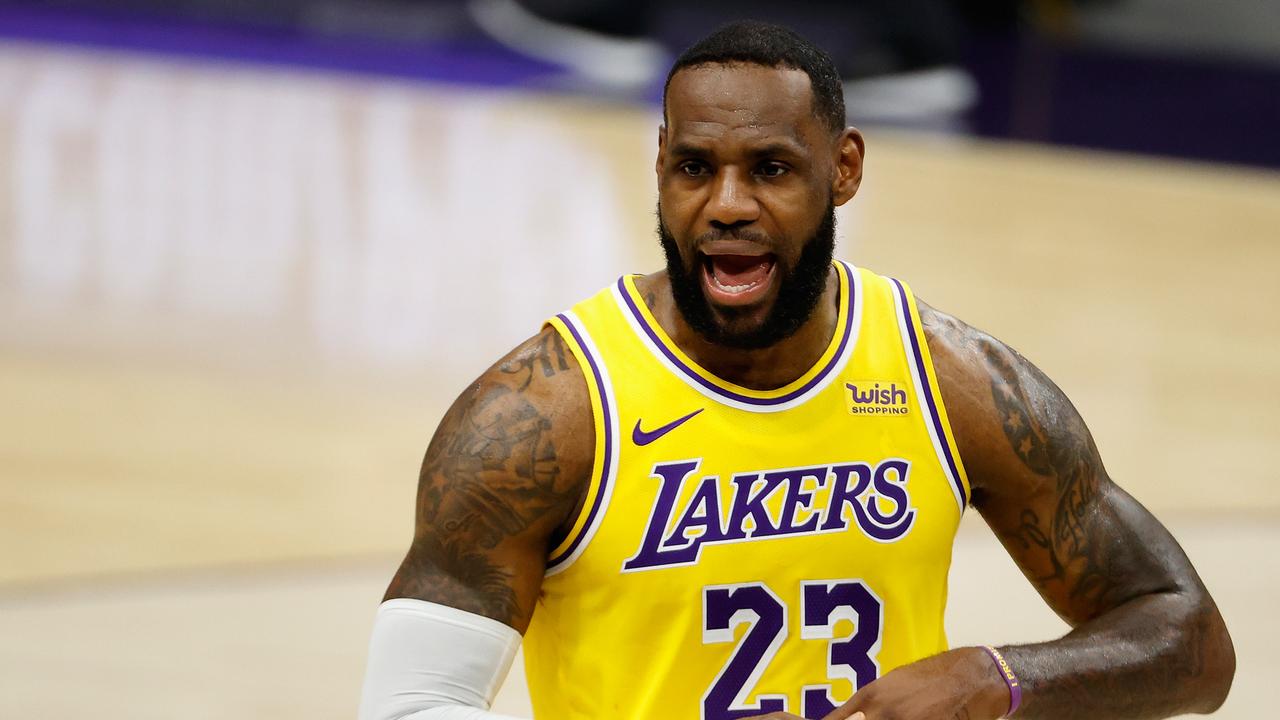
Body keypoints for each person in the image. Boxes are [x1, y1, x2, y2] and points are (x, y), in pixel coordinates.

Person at [358, 20, 1235, 720]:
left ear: (844, 169)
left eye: (771, 169)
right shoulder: (543, 414)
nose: (728, 204)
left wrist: (996, 680)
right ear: (660, 166)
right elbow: (413, 703)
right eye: (695, 169)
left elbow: (1189, 640)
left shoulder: (952, 382)